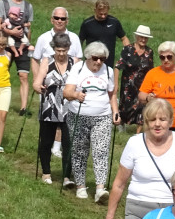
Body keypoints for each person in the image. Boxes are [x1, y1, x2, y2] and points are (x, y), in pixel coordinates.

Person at [63, 42, 119, 202]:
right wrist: (76, 95)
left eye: (102, 59)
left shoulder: (108, 71)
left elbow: (111, 94)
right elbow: (67, 92)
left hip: (102, 117)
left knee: (101, 151)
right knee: (79, 151)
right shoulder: (78, 68)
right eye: (95, 58)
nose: (99, 62)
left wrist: (115, 111)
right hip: (78, 115)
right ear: (88, 57)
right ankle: (80, 186)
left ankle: (100, 189)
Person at [32, 33, 74, 185]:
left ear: (68, 48)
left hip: (69, 106)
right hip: (49, 104)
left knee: (69, 142)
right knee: (46, 141)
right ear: (53, 48)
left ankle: (66, 176)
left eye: (64, 50)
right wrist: (38, 87)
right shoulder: (47, 60)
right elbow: (37, 82)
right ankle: (46, 172)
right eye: (58, 50)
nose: (61, 54)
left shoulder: (74, 62)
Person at [137, 41, 175, 138]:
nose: (166, 60)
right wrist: (148, 98)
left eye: (169, 57)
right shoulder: (153, 73)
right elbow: (141, 95)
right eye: (162, 57)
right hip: (159, 123)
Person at [0, 0, 34, 115]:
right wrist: (10, 31)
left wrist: (27, 43)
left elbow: (29, 27)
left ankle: (23, 108)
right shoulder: (3, 3)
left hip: (21, 45)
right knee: (1, 73)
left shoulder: (28, 6)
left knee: (23, 76)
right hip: (5, 44)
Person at [115, 25, 154, 127]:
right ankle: (122, 123)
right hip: (127, 84)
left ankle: (138, 131)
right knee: (125, 106)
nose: (143, 39)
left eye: (145, 38)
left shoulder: (149, 52)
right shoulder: (128, 49)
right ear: (136, 36)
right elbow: (118, 66)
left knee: (141, 106)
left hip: (142, 84)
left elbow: (151, 70)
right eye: (141, 37)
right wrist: (116, 83)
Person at [32, 6, 82, 79]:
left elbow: (79, 60)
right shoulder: (43, 38)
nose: (59, 21)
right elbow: (35, 60)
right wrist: (37, 79)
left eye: (63, 19)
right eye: (56, 18)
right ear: (52, 20)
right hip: (48, 81)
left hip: (70, 81)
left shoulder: (74, 38)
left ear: (67, 21)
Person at [78, 0, 129, 68]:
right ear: (95, 10)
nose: (103, 16)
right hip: (92, 61)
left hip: (108, 62)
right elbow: (80, 41)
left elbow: (124, 38)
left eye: (105, 14)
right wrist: (78, 57)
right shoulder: (87, 24)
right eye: (101, 14)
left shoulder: (114, 22)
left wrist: (129, 52)